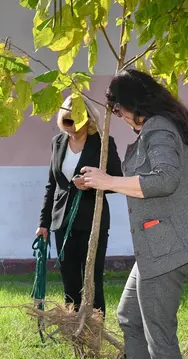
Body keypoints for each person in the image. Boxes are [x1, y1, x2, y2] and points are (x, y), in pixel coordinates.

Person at [80, 69, 188, 359]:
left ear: (136, 103)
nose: (119, 116)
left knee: (159, 332)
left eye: (120, 109)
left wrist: (107, 181)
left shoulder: (159, 128)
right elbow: (143, 181)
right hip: (158, 244)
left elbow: (165, 180)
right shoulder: (155, 128)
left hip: (168, 245)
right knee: (128, 314)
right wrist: (100, 180)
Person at [36, 95, 123, 316]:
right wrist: (43, 223)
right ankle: (74, 331)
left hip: (92, 221)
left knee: (92, 280)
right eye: (67, 122)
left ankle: (95, 332)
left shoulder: (103, 143)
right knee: (70, 280)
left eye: (77, 122)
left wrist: (92, 184)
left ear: (89, 120)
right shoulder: (57, 142)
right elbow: (52, 185)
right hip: (62, 222)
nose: (72, 128)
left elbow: (116, 180)